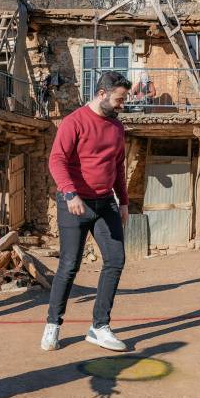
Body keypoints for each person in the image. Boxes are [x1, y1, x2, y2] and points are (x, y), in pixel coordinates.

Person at [41, 70, 131, 352]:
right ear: (102, 94)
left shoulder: (117, 127)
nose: (122, 105)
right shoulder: (74, 121)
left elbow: (117, 166)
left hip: (105, 203)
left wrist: (124, 201)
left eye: (124, 99)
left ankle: (99, 327)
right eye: (119, 99)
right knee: (69, 265)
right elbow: (56, 160)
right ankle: (53, 324)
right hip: (75, 203)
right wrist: (70, 193)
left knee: (115, 260)